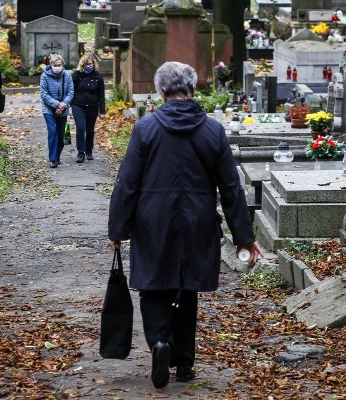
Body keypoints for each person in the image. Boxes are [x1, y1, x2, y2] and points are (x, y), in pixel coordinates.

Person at [107, 61, 262, 389]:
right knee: (186, 288)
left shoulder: (146, 129)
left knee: (153, 286)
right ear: (193, 89)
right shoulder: (212, 130)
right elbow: (230, 188)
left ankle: (160, 343)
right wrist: (244, 238)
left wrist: (117, 229)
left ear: (161, 92)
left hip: (152, 221)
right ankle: (186, 364)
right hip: (197, 221)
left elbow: (127, 183)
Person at [70, 53, 106, 163]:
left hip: (93, 106)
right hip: (78, 105)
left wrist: (102, 111)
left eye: (90, 64)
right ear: (82, 64)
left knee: (90, 129)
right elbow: (71, 91)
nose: (88, 66)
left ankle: (89, 151)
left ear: (93, 64)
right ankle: (81, 153)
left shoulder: (98, 76)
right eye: (86, 64)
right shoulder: (76, 75)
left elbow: (101, 95)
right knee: (81, 128)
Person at [40, 54, 74, 168]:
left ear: (62, 65)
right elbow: (44, 94)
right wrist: (56, 104)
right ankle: (53, 159)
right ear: (51, 65)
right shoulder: (45, 76)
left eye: (59, 65)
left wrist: (63, 105)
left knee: (61, 134)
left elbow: (70, 92)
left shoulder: (67, 76)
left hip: (63, 108)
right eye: (55, 65)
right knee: (52, 131)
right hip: (48, 109)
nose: (57, 67)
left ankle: (57, 156)